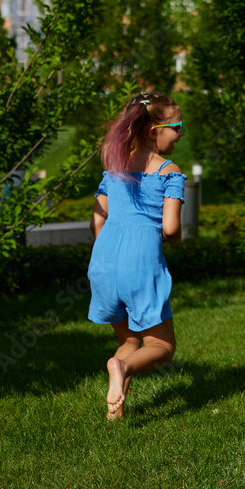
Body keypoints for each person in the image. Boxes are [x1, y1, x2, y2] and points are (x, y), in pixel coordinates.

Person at [88, 93, 186, 419]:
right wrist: (177, 239)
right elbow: (171, 229)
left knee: (129, 339)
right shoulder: (169, 172)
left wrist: (112, 247)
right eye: (177, 126)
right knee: (161, 348)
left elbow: (97, 219)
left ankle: (115, 411)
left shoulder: (115, 167)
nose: (181, 133)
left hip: (103, 264)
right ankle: (122, 366)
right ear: (154, 130)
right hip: (141, 265)